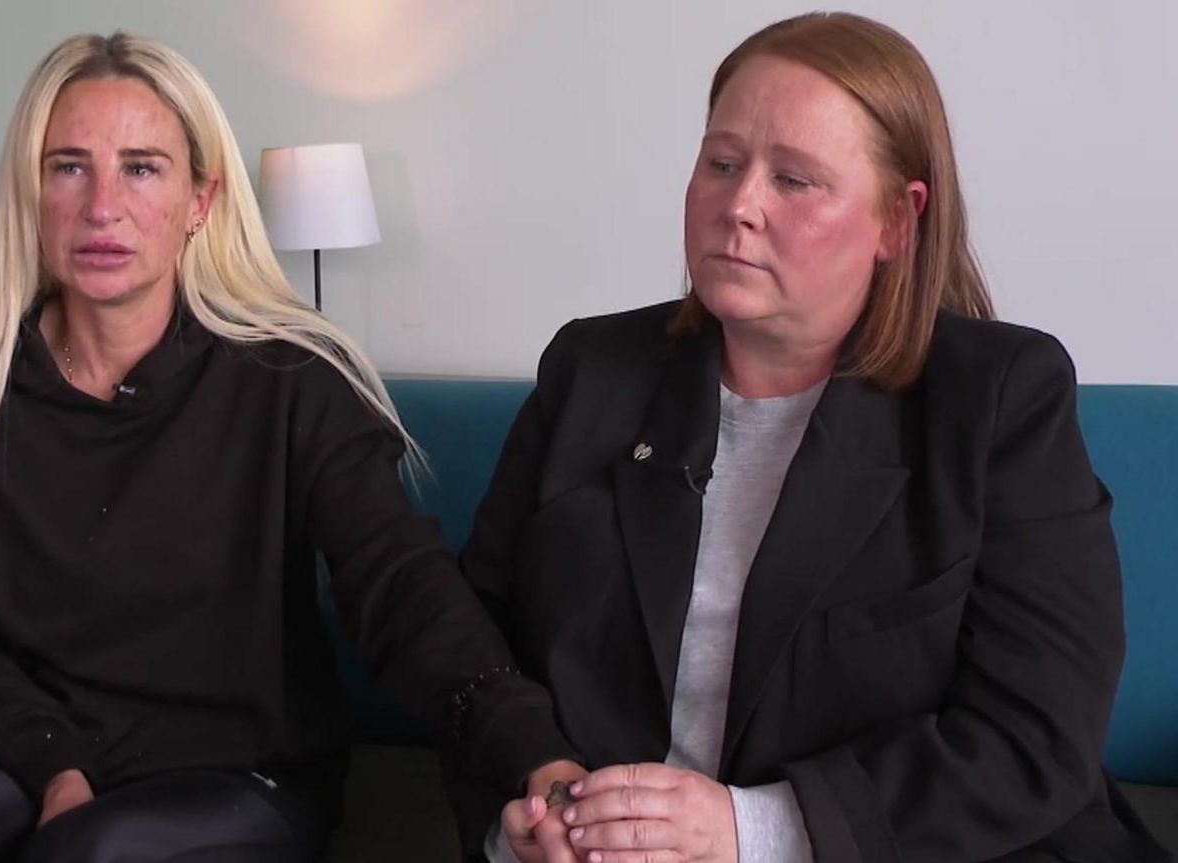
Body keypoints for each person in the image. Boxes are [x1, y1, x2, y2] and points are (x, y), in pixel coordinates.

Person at [463, 12, 1172, 863]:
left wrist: (749, 829)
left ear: (897, 222)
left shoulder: (999, 399)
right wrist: (536, 800)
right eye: (722, 163)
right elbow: (476, 643)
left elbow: (1035, 734)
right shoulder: (592, 368)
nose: (739, 206)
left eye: (795, 180)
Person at [0, 32, 575, 863]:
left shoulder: (291, 376)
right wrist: (54, 765)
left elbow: (400, 584)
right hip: (24, 746)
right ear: (29, 189)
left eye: (141, 166)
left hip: (237, 770)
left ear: (200, 201)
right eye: (68, 166)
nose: (102, 206)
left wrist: (529, 746)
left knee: (88, 854)